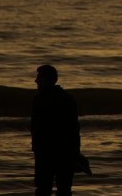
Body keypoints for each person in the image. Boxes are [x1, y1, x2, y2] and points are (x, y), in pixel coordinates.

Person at [31, 64, 82, 196]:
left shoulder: (40, 100)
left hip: (49, 153)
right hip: (63, 152)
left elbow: (37, 130)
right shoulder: (68, 99)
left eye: (39, 78)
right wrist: (76, 152)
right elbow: (74, 130)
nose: (36, 81)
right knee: (63, 190)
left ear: (48, 80)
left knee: (43, 189)